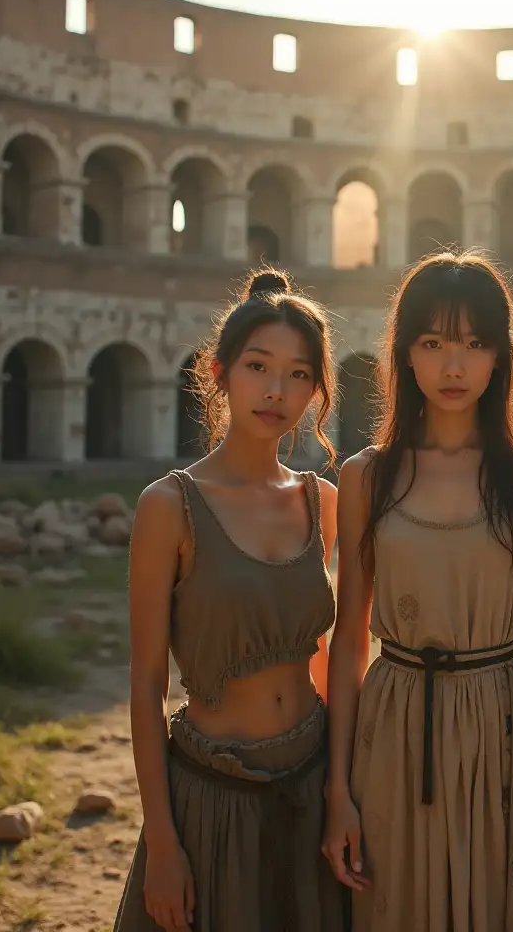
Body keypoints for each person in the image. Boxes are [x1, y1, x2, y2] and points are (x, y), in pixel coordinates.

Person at [322, 250, 513, 932]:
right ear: (404, 355)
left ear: (501, 357)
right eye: (433, 343)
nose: (454, 366)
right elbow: (348, 639)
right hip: (396, 721)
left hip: (504, 721)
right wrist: (337, 792)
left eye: (474, 343)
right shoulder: (365, 476)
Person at [112, 268, 349, 932]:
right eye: (258, 366)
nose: (277, 390)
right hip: (211, 796)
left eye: (300, 374)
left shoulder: (323, 503)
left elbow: (330, 655)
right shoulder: (170, 506)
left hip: (309, 780)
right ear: (219, 371)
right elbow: (146, 682)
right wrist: (161, 840)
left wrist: (340, 790)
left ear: (316, 391)